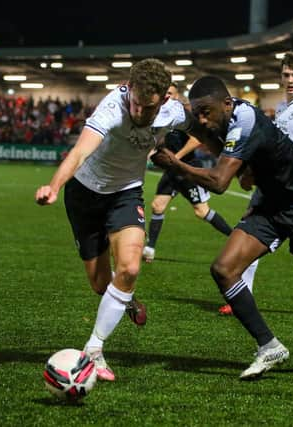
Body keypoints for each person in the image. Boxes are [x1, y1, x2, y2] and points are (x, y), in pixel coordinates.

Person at [151, 75, 293, 380]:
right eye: (198, 112)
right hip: (270, 206)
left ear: (227, 103)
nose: (203, 118)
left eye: (207, 112)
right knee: (224, 269)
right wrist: (182, 121)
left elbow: (219, 182)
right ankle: (269, 345)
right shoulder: (226, 117)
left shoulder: (245, 121)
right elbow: (215, 142)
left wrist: (175, 164)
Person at [35, 58, 194, 382]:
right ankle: (128, 301)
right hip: (84, 194)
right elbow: (79, 153)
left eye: (147, 109)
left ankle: (94, 349)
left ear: (164, 100)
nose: (138, 113)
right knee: (98, 283)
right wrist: (53, 186)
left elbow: (204, 125)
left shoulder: (174, 112)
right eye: (135, 104)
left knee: (131, 267)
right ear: (129, 90)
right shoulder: (111, 110)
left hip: (125, 193)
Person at [218, 51, 293, 317]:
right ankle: (240, 296)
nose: (290, 79)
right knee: (248, 235)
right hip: (271, 187)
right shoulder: (282, 108)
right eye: (286, 74)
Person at [142, 84, 233, 263]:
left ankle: (235, 237)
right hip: (172, 169)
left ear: (176, 96)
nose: (166, 95)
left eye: (169, 93)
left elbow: (195, 140)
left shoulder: (184, 114)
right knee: (158, 206)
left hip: (189, 169)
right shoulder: (160, 115)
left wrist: (175, 159)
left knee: (201, 211)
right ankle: (149, 249)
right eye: (164, 92)